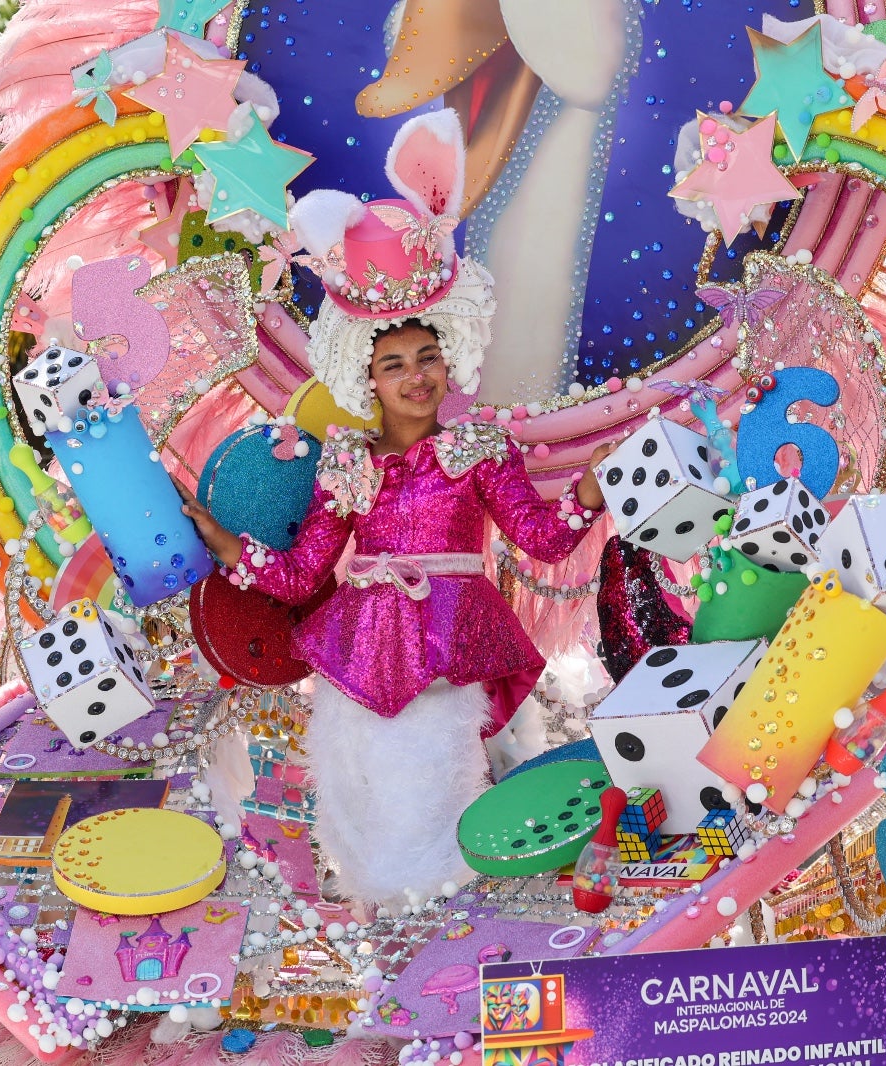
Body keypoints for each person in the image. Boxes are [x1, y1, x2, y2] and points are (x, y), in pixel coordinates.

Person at [182, 111, 611, 906]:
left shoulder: (478, 447)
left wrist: (590, 493)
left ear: (449, 362)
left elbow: (544, 542)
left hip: (448, 654)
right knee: (360, 820)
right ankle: (391, 973)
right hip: (358, 662)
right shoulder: (345, 460)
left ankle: (445, 965)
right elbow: (306, 570)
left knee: (441, 817)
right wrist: (227, 544)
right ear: (365, 377)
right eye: (393, 364)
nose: (415, 376)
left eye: (426, 358)